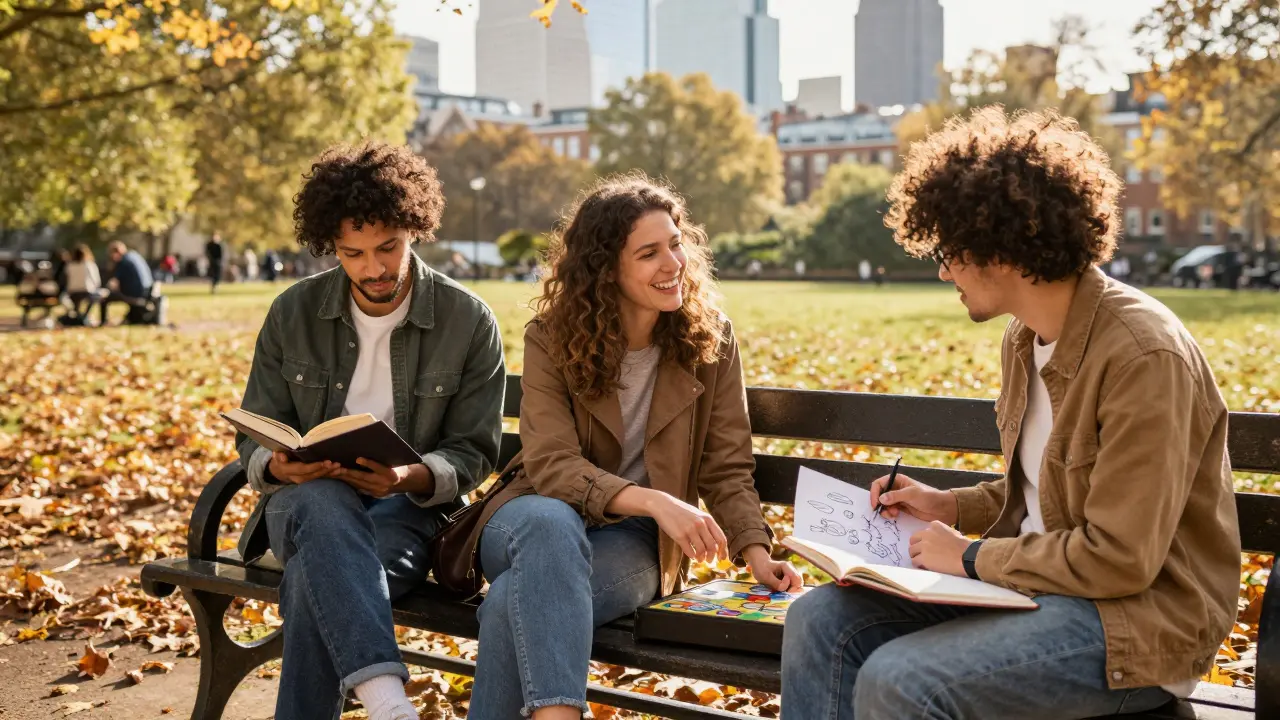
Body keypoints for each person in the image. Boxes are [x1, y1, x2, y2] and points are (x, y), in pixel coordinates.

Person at [780, 107, 1242, 720]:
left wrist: (969, 557)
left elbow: (1121, 557)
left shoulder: (1142, 355)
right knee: (820, 619)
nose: (942, 269)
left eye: (948, 249)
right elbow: (1056, 494)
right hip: (1034, 591)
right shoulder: (1024, 338)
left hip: (1135, 624)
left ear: (999, 247)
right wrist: (950, 507)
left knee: (901, 681)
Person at [465, 174, 801, 720]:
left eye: (675, 244)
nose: (673, 264)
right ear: (605, 270)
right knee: (552, 529)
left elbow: (725, 464)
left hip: (637, 544)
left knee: (510, 604)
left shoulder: (710, 339)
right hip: (532, 519)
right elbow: (551, 466)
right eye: (649, 253)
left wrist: (756, 551)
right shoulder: (552, 337)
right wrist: (655, 500)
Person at [233, 141, 507, 720]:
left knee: (319, 580)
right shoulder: (293, 313)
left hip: (405, 512)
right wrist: (278, 464)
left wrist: (410, 474)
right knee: (326, 500)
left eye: (389, 248)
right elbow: (256, 431)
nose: (373, 268)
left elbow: (475, 451)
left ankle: (384, 703)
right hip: (300, 505)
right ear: (331, 246)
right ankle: (388, 704)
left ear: (415, 229)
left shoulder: (468, 320)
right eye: (352, 253)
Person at [99, 241, 153, 326]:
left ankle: (103, 322)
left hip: (135, 293)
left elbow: (113, 282)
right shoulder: (135, 256)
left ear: (116, 253)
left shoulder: (123, 261)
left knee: (104, 299)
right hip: (147, 291)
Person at [63, 244, 102, 321]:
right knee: (97, 296)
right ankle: (84, 316)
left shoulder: (69, 266)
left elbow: (66, 279)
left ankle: (78, 317)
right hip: (86, 291)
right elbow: (96, 280)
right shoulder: (89, 265)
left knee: (76, 305)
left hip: (72, 292)